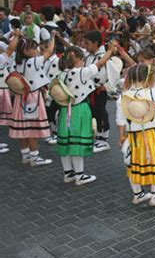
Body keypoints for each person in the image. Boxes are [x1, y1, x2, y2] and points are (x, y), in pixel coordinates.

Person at [55, 45, 113, 185]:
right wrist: (110, 50)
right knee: (77, 142)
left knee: (66, 141)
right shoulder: (80, 72)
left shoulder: (61, 74)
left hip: (64, 110)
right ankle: (80, 176)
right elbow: (99, 64)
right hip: (79, 110)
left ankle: (68, 173)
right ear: (79, 60)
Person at [117, 61, 155, 206]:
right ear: (148, 79)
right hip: (152, 134)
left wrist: (122, 136)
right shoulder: (152, 91)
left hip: (133, 136)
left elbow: (120, 120)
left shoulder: (123, 96)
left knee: (133, 163)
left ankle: (138, 194)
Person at [9, 34, 56, 167]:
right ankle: (34, 157)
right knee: (32, 129)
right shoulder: (33, 62)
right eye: (34, 48)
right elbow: (49, 51)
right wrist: (52, 37)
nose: (37, 51)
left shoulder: (17, 62)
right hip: (32, 97)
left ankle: (25, 155)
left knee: (23, 128)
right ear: (25, 51)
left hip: (20, 97)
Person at [83, 30, 117, 153]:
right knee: (94, 112)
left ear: (95, 43)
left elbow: (114, 74)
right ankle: (98, 137)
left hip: (99, 90)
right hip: (90, 90)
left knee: (101, 112)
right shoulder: (89, 56)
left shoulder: (105, 57)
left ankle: (104, 139)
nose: (85, 46)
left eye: (87, 43)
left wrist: (107, 86)